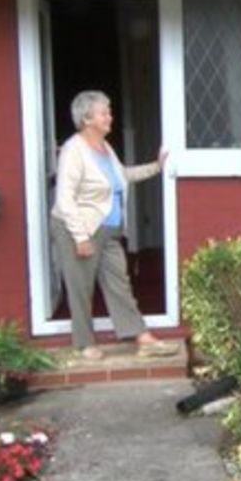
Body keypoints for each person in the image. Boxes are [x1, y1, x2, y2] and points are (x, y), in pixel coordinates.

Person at [50, 90, 176, 360]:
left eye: (109, 111)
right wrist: (80, 237)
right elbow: (65, 198)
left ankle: (141, 337)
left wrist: (156, 167)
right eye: (104, 112)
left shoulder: (105, 148)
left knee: (120, 284)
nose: (110, 117)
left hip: (110, 231)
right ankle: (84, 343)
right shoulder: (74, 150)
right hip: (80, 228)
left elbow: (121, 177)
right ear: (87, 118)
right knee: (81, 287)